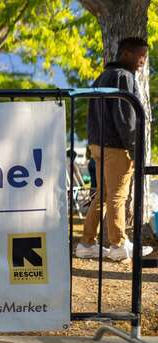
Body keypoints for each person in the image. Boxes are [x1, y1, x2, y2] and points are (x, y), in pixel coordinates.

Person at [75, 37, 152, 261]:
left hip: (98, 144)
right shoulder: (123, 77)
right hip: (117, 146)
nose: (143, 61)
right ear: (126, 53)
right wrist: (135, 148)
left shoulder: (103, 76)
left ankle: (86, 243)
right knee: (118, 195)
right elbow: (126, 117)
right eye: (141, 55)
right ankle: (118, 245)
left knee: (104, 196)